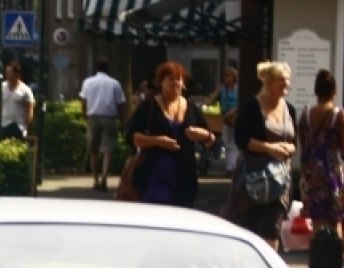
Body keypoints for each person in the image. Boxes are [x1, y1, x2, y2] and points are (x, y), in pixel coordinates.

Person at [126, 61, 216, 208]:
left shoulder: (191, 107)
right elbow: (132, 138)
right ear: (161, 82)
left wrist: (204, 135)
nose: (175, 82)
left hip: (184, 180)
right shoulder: (148, 106)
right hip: (154, 180)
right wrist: (157, 141)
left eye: (178, 79)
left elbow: (211, 142)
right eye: (171, 79)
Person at [227, 61, 297, 249]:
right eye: (281, 80)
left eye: (287, 80)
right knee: (249, 229)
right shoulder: (252, 106)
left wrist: (287, 148)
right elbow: (241, 139)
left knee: (271, 228)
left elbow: (294, 144)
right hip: (253, 179)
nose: (286, 84)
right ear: (269, 82)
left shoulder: (289, 109)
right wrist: (270, 148)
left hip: (279, 181)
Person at [297, 69, 344, 236]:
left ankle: (318, 259)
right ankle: (333, 259)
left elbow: (304, 145)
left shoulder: (305, 115)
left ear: (316, 92)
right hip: (333, 172)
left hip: (312, 173)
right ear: (335, 91)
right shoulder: (340, 116)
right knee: (335, 221)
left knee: (317, 222)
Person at [79, 58, 127, 191]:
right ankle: (105, 177)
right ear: (108, 69)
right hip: (110, 118)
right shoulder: (115, 83)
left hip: (93, 117)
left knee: (93, 151)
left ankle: (95, 180)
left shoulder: (88, 82)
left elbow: (83, 100)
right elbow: (121, 103)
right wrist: (122, 119)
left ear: (96, 68)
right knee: (108, 151)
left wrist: (84, 115)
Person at [206, 66, 240, 175]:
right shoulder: (222, 88)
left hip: (236, 117)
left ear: (233, 77)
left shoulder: (238, 89)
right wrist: (208, 100)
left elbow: (241, 102)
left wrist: (234, 111)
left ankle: (233, 167)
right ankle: (229, 166)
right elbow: (211, 99)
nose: (226, 78)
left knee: (234, 143)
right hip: (225, 118)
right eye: (225, 76)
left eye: (228, 76)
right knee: (226, 141)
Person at [0, 62, 35, 140]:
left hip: (18, 127)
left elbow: (30, 110)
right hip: (2, 125)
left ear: (17, 74)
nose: (7, 75)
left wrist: (25, 127)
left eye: (10, 72)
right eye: (6, 72)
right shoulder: (1, 87)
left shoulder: (26, 90)